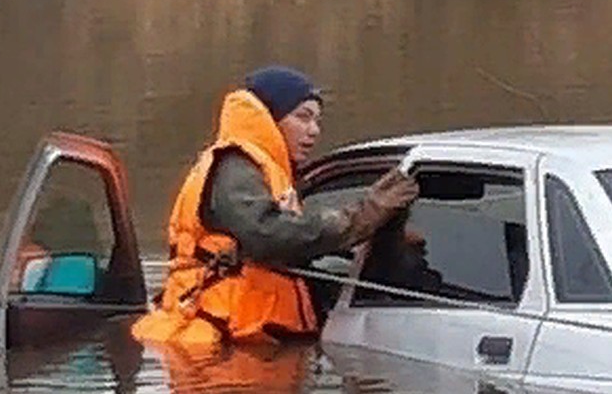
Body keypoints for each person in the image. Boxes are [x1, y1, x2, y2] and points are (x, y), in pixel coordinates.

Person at [132, 65, 417, 349]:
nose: (314, 131)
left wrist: (378, 242)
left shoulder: (265, 172)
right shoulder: (236, 168)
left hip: (247, 341)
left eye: (317, 120)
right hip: (222, 343)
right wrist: (364, 215)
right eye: (303, 117)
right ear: (270, 118)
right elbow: (270, 235)